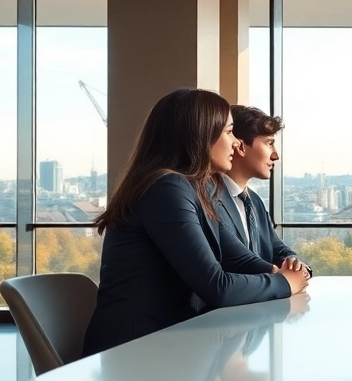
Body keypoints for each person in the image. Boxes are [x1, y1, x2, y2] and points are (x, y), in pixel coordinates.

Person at [83, 89, 309, 356]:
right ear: (200, 136)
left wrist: (284, 273)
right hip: (136, 353)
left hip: (169, 343)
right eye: (229, 132)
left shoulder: (192, 189)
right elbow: (217, 287)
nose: (237, 144)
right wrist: (285, 283)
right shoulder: (167, 187)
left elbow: (239, 258)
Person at [214, 104, 311, 281]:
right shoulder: (209, 199)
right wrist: (282, 277)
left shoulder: (254, 201)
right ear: (240, 146)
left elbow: (277, 249)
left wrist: (296, 264)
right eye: (269, 143)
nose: (275, 156)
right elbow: (236, 263)